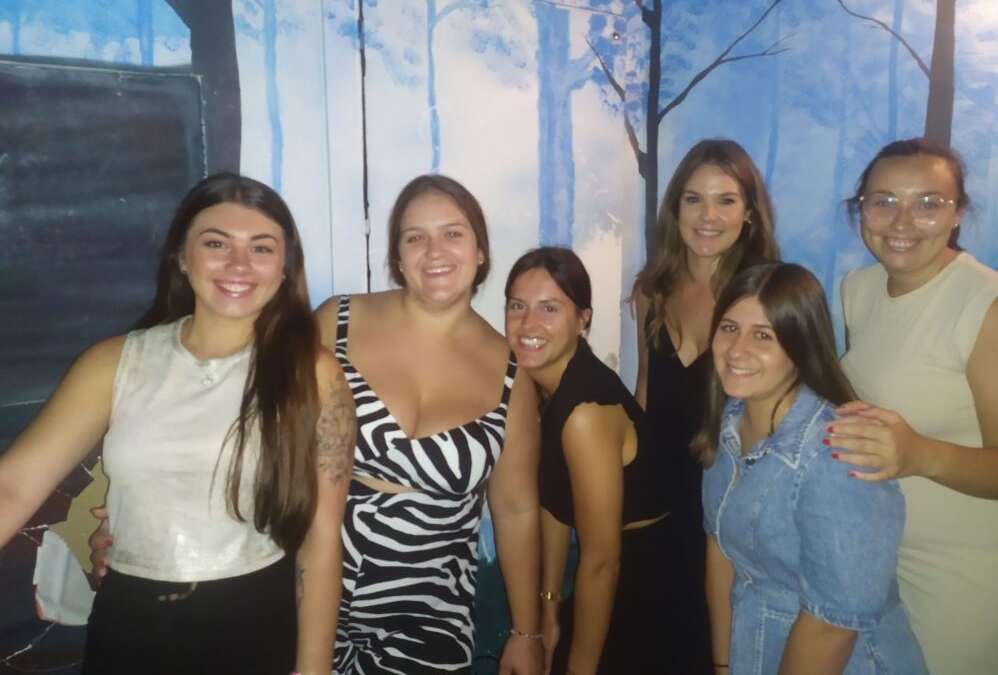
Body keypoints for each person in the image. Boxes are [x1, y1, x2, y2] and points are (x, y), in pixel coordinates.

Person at [0, 174, 355, 675]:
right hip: (129, 625)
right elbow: (13, 487)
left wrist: (314, 670)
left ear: (283, 268)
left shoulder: (314, 374)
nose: (238, 264)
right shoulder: (114, 363)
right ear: (182, 258)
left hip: (255, 624)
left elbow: (320, 538)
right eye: (216, 243)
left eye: (261, 247)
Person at [312, 175, 543, 675]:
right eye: (415, 237)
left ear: (480, 250)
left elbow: (516, 510)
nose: (435, 251)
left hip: (430, 621)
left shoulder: (512, 375)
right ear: (397, 257)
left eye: (453, 233)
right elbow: (267, 444)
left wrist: (527, 632)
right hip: (311, 598)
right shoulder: (336, 322)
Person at [830, 138, 998, 675]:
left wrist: (920, 454)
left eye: (929, 203)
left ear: (958, 213)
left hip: (962, 580)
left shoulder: (991, 308)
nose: (902, 222)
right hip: (878, 557)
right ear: (861, 209)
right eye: (884, 201)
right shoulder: (858, 289)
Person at [697, 262, 926, 675]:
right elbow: (721, 548)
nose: (736, 350)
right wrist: (723, 663)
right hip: (755, 646)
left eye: (763, 335)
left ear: (800, 345)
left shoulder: (838, 455)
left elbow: (832, 626)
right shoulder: (730, 422)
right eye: (729, 328)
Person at [631, 139, 778, 672]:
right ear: (675, 209)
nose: (708, 216)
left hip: (725, 508)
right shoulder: (652, 290)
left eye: (726, 200)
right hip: (658, 506)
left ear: (749, 213)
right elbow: (646, 388)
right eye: (693, 199)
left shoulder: (766, 299)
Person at [505, 246, 673, 675]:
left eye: (550, 308)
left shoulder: (585, 413)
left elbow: (602, 563)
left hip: (645, 589)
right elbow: (555, 507)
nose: (529, 324)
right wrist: (548, 613)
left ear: (583, 318)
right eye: (518, 306)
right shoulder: (542, 386)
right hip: (606, 580)